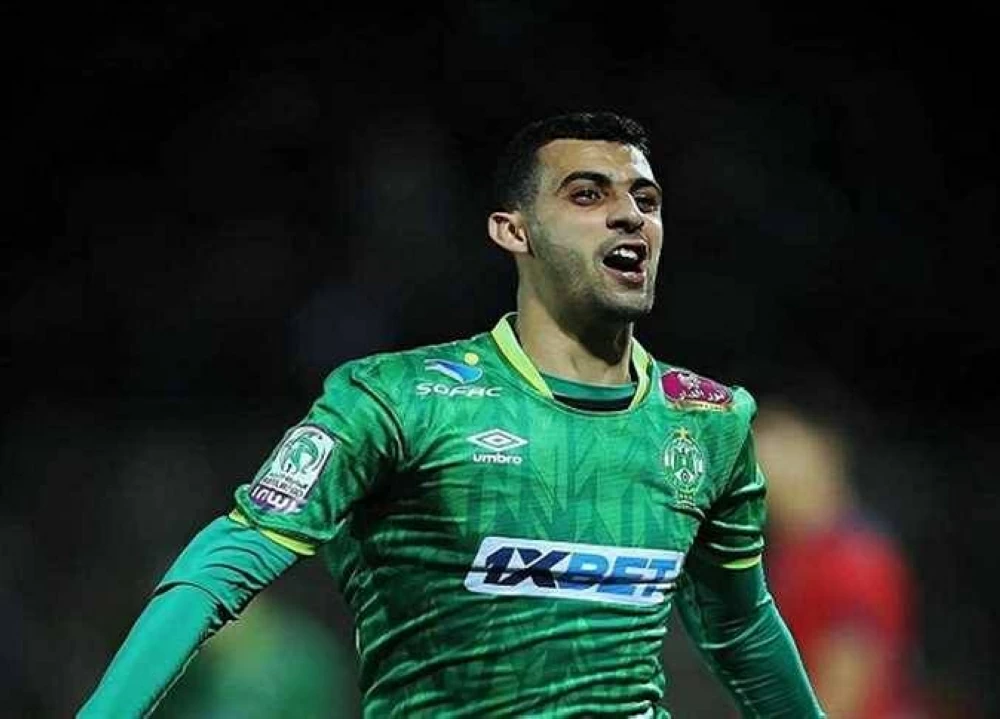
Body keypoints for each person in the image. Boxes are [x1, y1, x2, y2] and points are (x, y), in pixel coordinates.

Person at [80, 111, 825, 717]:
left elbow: (739, 625)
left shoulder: (709, 421)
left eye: (646, 200)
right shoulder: (398, 399)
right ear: (513, 230)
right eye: (587, 195)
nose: (629, 215)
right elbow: (227, 560)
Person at [754, 391, 925, 718]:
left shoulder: (855, 559)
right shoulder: (790, 554)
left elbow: (843, 697)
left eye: (783, 447)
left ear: (824, 452)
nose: (765, 464)